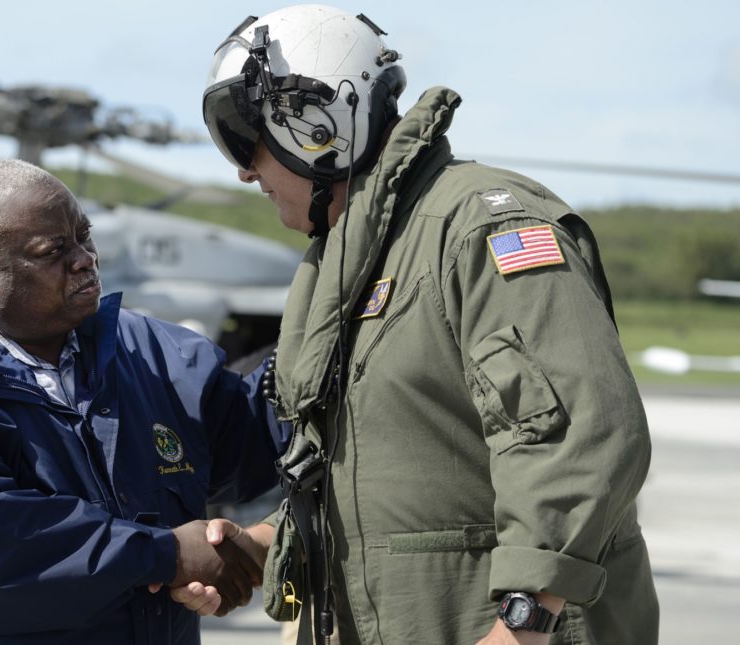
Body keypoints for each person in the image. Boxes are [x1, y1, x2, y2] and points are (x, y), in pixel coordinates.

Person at [186, 5, 660, 644]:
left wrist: (522, 624)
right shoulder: (342, 263)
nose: (246, 171)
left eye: (249, 140)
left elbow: (582, 437)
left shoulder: (481, 228)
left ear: (317, 126)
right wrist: (265, 544)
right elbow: (383, 478)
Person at [0, 158, 287, 644]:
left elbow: (251, 434)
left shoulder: (148, 354)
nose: (84, 258)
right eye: (52, 251)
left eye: (84, 235)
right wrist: (170, 556)